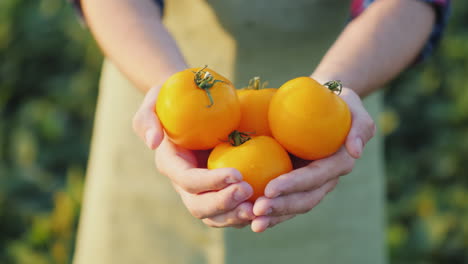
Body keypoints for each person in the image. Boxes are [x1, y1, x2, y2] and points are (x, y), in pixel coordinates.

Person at [71, 0, 450, 263]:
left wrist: (328, 91)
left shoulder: (330, 112)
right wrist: (167, 91)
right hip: (152, 79)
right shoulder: (167, 104)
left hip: (335, 114)